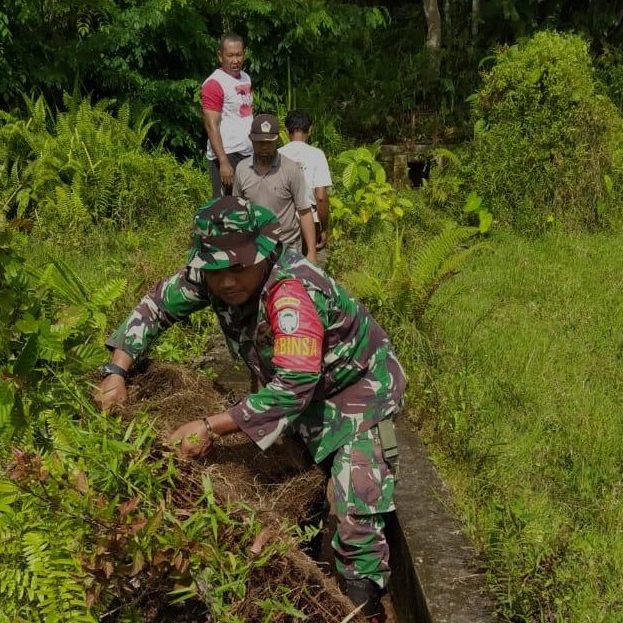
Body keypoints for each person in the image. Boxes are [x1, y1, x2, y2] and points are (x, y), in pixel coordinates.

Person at [94, 196, 404, 623]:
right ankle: (304, 555)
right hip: (303, 390)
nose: (225, 282)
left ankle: (360, 606)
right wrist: (116, 370)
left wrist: (210, 425)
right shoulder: (212, 275)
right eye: (216, 270)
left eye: (237, 268)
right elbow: (157, 306)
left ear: (263, 252)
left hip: (359, 390)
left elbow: (294, 384)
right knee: (296, 476)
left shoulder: (291, 293)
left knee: (357, 507)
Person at [232, 113, 317, 264]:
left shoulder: (291, 169)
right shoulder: (242, 169)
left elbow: (304, 212)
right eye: (260, 142)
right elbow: (238, 211)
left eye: (269, 142)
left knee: (289, 286)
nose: (264, 146)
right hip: (255, 246)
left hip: (287, 245)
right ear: (251, 139)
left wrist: (311, 252)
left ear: (277, 139)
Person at [202, 32, 253, 199]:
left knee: (246, 206)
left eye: (239, 54)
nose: (235, 60)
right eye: (230, 55)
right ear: (220, 56)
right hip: (228, 155)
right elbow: (211, 124)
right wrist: (223, 161)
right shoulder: (214, 83)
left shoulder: (245, 78)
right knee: (226, 209)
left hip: (247, 154)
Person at [278, 109, 333, 252]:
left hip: (283, 220)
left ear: (286, 130)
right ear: (310, 129)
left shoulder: (277, 155)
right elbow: (320, 197)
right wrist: (324, 228)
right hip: (309, 219)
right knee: (307, 266)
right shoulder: (317, 155)